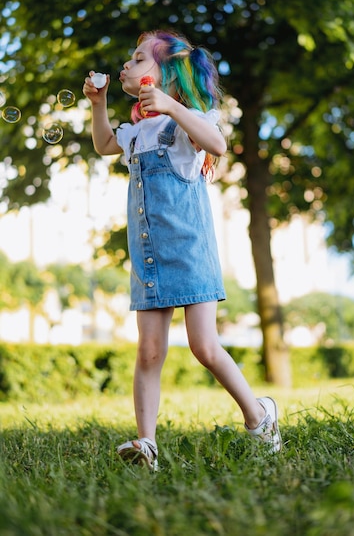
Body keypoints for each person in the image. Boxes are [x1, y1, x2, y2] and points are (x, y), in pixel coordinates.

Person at [82, 29, 282, 471]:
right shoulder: (135, 132)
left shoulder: (188, 121)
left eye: (137, 59)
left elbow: (217, 144)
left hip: (190, 252)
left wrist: (174, 106)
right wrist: (98, 106)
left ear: (166, 73)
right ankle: (146, 443)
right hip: (149, 257)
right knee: (149, 351)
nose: (127, 67)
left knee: (204, 347)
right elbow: (103, 144)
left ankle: (260, 416)